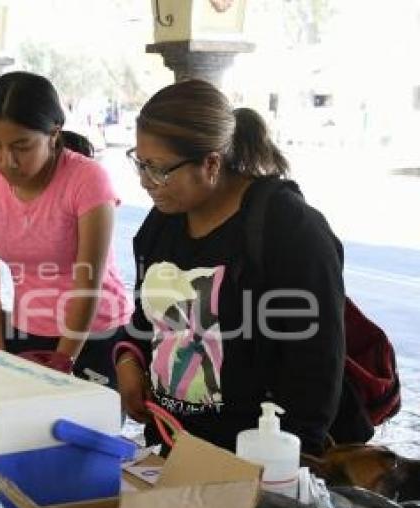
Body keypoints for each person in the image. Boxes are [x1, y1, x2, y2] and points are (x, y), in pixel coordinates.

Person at [114, 80, 345, 456]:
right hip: (170, 445)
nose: (145, 182)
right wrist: (128, 358)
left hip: (251, 459)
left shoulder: (289, 230)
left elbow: (316, 370)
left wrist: (284, 471)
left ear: (211, 163)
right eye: (140, 163)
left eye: (158, 169)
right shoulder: (162, 222)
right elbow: (147, 315)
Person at [0, 71, 133, 387]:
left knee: (79, 431)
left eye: (22, 146)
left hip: (95, 331)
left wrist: (63, 362)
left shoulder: (87, 179)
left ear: (54, 135)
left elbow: (89, 283)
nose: (6, 160)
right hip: (29, 327)